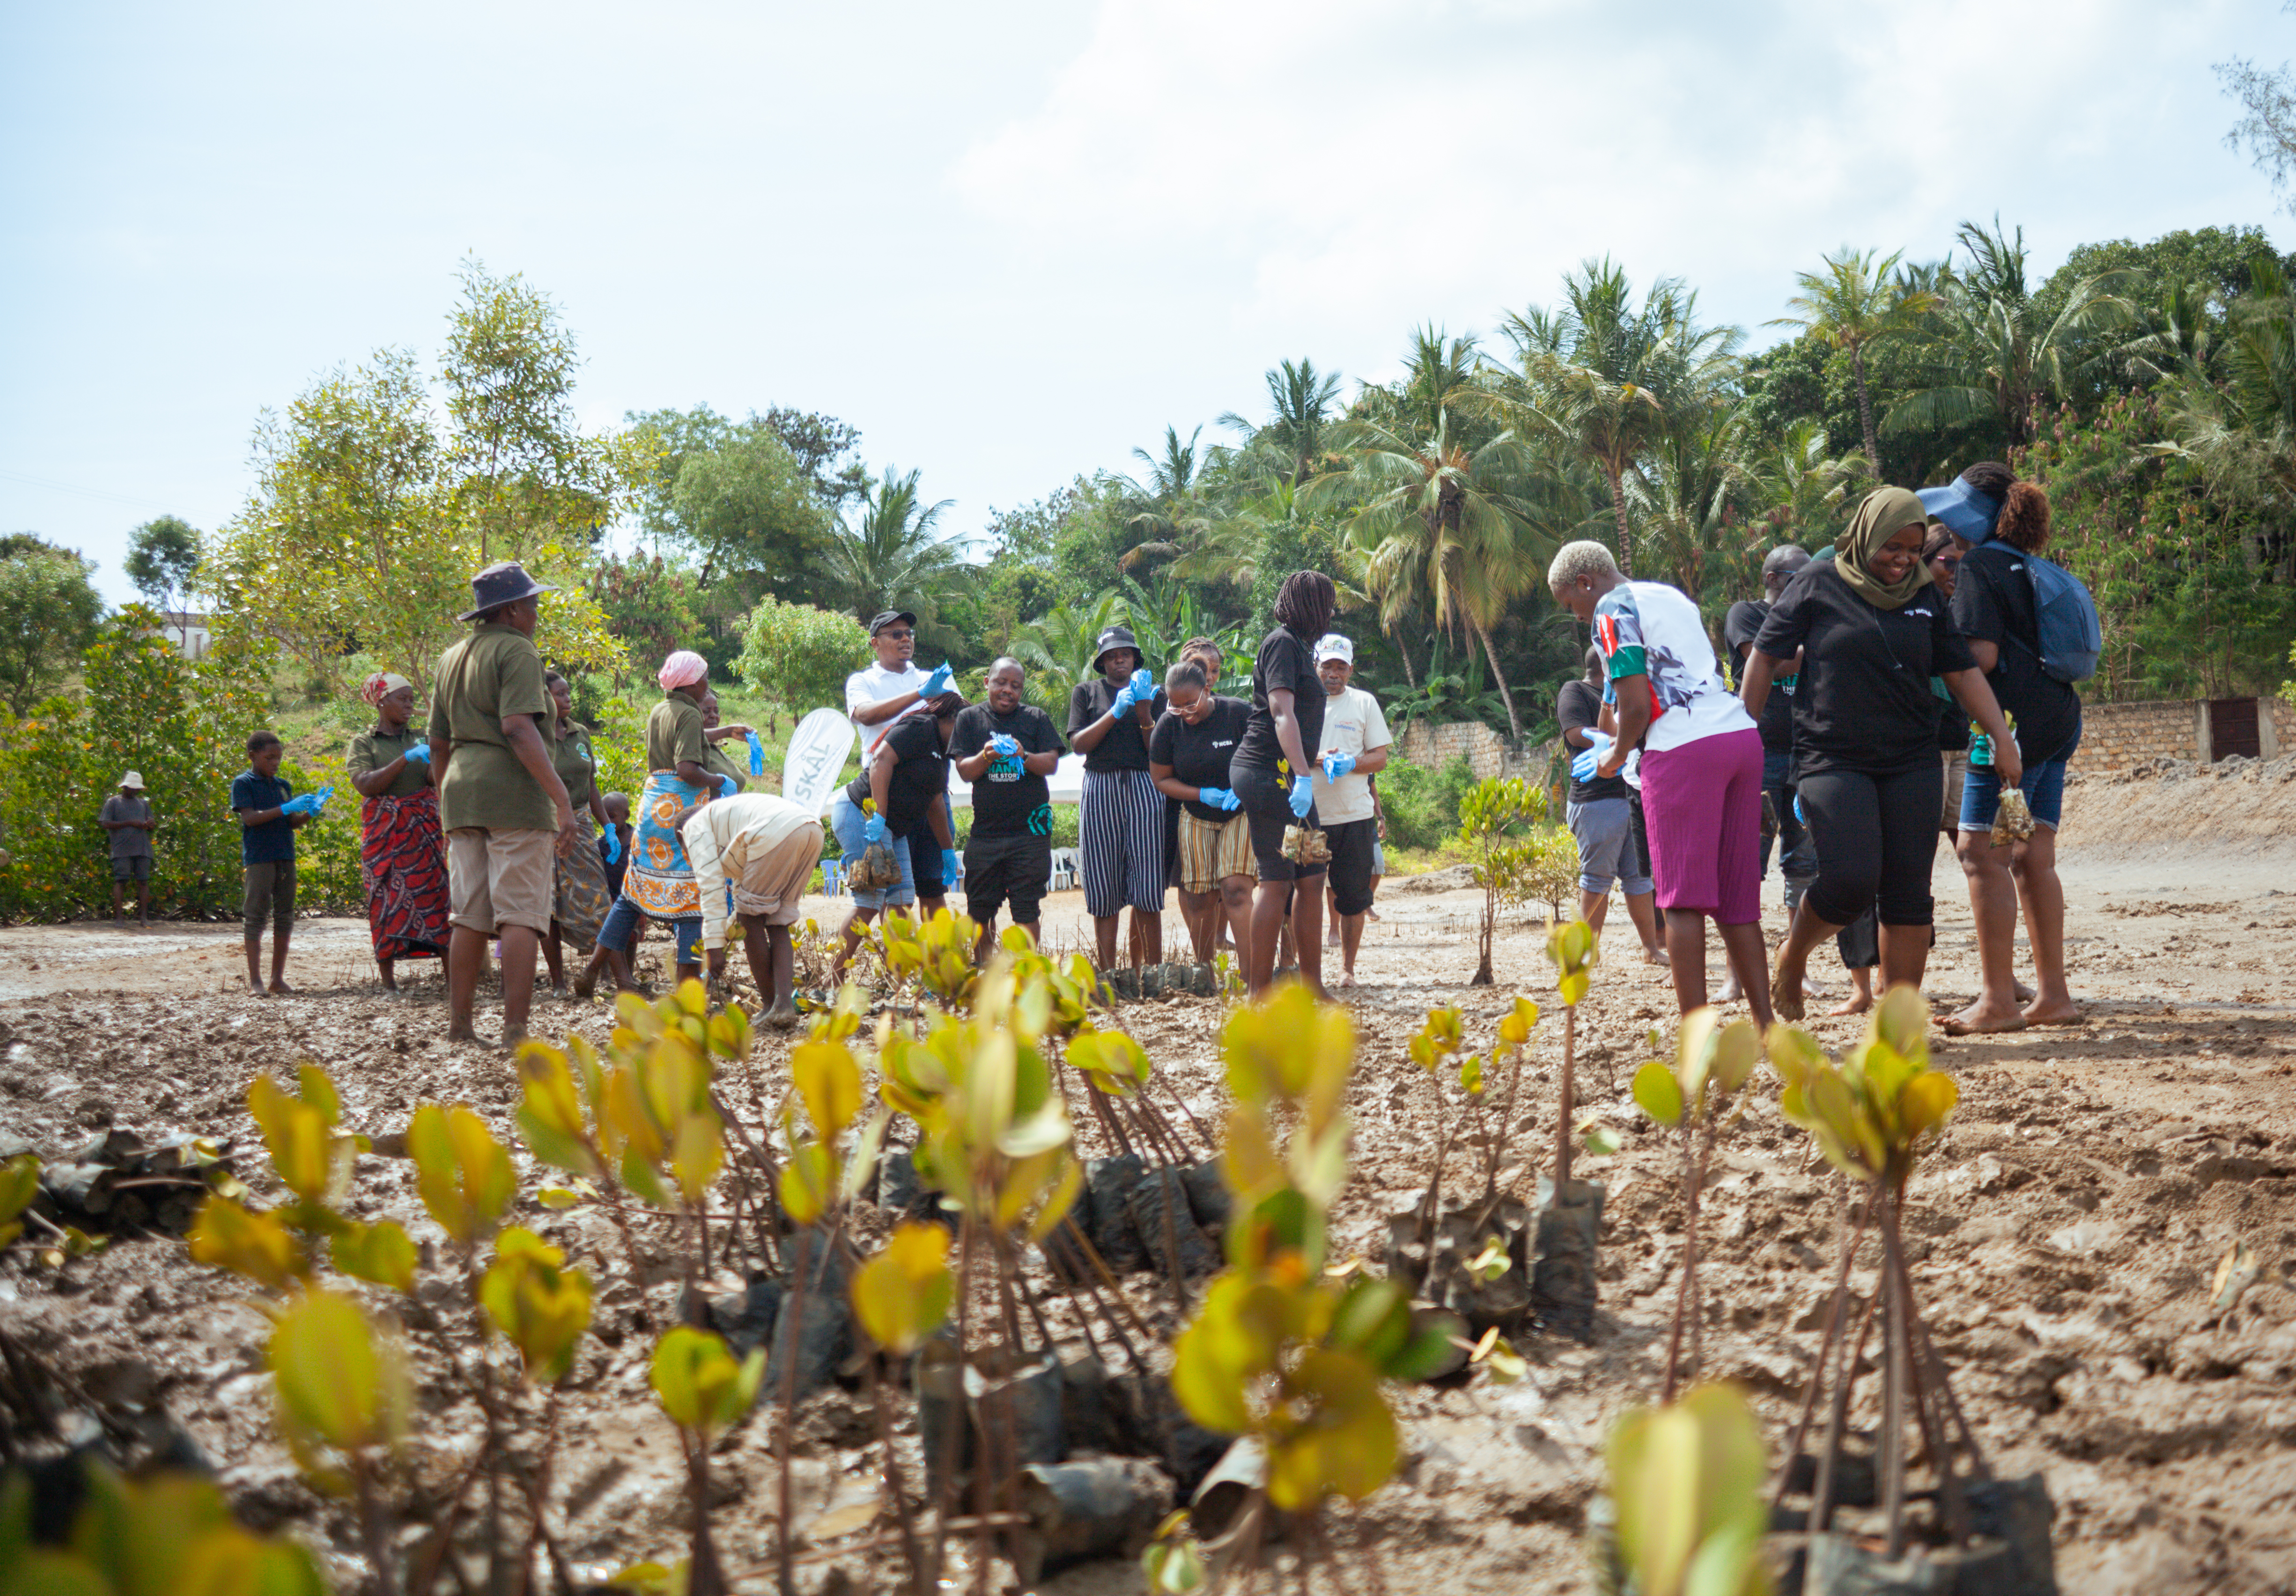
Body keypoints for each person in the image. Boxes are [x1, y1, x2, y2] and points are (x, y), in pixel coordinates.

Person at [1742, 487, 2020, 1022]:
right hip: (1832, 757)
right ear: (1865, 535)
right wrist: (1741, 738)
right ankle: (1793, 955)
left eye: (1913, 549)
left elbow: (1960, 671)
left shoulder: (1925, 596)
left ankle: (1898, 1023)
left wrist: (2001, 737)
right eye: (1890, 546)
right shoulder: (1817, 584)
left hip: (1912, 758)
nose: (1902, 559)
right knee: (1850, 879)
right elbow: (1763, 657)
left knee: (1909, 892)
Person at [1550, 542, 1773, 1026]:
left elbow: (1633, 709)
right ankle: (1765, 1026)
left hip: (1681, 749)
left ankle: (1695, 1032)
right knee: (1737, 898)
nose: (1576, 615)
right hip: (1738, 738)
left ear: (1586, 583)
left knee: (1681, 901)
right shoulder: (1669, 596)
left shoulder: (1609, 609)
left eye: (1570, 603)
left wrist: (1614, 756)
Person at [1931, 468, 2085, 1034]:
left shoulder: (1978, 567)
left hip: (2010, 730)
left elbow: (1982, 657)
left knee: (1980, 853)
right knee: (2030, 854)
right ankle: (2053, 996)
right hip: (2057, 720)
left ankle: (1997, 999)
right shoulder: (2033, 567)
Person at [429, 562, 585, 1044]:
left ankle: (460, 1026)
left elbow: (436, 740)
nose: (537, 614)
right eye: (533, 605)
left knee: (469, 914)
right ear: (513, 610)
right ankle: (515, 1030)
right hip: (514, 794)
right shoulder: (518, 650)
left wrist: (445, 798)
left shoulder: (452, 656)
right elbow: (518, 727)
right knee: (521, 912)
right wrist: (561, 798)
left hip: (462, 791)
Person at [1830, 527, 1976, 1016]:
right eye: (1945, 563)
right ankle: (1861, 985)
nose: (1952, 573)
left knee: (1911, 876)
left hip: (1947, 743)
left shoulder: (1938, 612)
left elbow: (1966, 674)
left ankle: (1902, 988)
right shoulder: (1874, 607)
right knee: (1861, 870)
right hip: (1890, 752)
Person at [581, 650, 720, 999]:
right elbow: (687, 768)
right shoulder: (689, 714)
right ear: (693, 682)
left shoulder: (660, 710)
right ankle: (687, 987)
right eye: (704, 676)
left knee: (632, 894)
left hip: (651, 806)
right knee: (692, 896)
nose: (707, 683)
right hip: (681, 811)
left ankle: (592, 969)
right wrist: (718, 780)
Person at [1228, 571, 1337, 998]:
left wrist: (1308, 768)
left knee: (1312, 875)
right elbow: (1280, 713)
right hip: (1265, 772)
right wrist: (1304, 776)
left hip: (1289, 776)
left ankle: (1312, 986)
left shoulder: (1299, 649)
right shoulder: (1280, 643)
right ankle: (1259, 993)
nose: (1329, 614)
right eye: (1325, 605)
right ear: (1307, 606)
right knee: (1277, 880)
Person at [831, 689, 965, 978]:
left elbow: (936, 801)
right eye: (963, 727)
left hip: (894, 827)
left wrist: (947, 850)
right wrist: (878, 815)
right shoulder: (919, 727)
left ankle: (896, 978)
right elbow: (880, 761)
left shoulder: (943, 753)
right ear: (949, 718)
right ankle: (832, 979)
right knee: (869, 901)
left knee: (902, 899)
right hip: (862, 814)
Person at [1067, 625, 1168, 975]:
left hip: (1145, 784)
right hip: (1100, 785)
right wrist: (1116, 711)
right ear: (1102, 662)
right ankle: (1108, 973)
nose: (1119, 659)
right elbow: (1079, 745)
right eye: (1111, 655)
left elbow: (1157, 751)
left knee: (1148, 885)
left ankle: (1151, 972)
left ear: (1135, 658)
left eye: (1124, 653)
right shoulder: (1087, 692)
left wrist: (1143, 712)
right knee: (1103, 884)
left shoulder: (1154, 695)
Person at [1725, 547, 1819, 917]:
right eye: (1801, 578)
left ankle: (1795, 953)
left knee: (1803, 861)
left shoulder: (1812, 619)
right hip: (1758, 754)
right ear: (1772, 579)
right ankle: (1742, 959)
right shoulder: (1746, 614)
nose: (1810, 586)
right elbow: (1765, 662)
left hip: (1805, 753)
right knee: (1748, 855)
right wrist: (1814, 643)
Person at [1556, 648, 1667, 963]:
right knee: (1596, 879)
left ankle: (1650, 948)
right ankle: (1587, 953)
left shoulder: (1627, 695)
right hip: (1596, 800)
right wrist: (1605, 741)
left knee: (1639, 878)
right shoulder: (1575, 691)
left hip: (1631, 795)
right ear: (1605, 668)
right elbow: (1574, 733)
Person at [951, 658, 1065, 959]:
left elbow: (1051, 764)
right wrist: (986, 756)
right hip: (986, 835)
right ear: (987, 682)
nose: (1007, 690)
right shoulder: (970, 719)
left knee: (1027, 908)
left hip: (1031, 835)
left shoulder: (1036, 718)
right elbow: (964, 772)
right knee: (979, 909)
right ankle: (986, 974)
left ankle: (1024, 972)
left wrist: (1023, 754)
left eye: (1016, 686)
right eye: (1001, 682)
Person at [347, 672, 451, 993]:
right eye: (403, 699)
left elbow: (433, 780)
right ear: (381, 701)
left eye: (412, 699)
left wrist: (435, 754)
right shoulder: (364, 743)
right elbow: (366, 785)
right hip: (386, 839)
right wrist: (405, 761)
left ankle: (453, 979)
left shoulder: (419, 739)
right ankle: (389, 983)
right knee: (384, 901)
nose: (410, 705)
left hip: (423, 835)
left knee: (438, 898)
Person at [685, 792, 824, 1028]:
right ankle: (784, 1005)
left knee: (749, 921)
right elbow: (743, 890)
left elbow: (711, 889)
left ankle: (772, 1006)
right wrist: (727, 929)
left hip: (776, 832)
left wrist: (714, 946)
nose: (687, 856)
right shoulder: (725, 822)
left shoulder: (693, 829)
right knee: (777, 921)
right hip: (811, 829)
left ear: (682, 836)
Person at [1150, 657, 1255, 969]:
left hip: (1240, 811)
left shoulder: (1237, 713)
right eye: (1175, 705)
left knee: (1235, 889)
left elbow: (1264, 755)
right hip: (1195, 814)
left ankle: (1253, 976)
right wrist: (1200, 795)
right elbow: (1161, 779)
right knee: (1200, 897)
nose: (1184, 712)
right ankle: (1205, 971)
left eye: (1190, 703)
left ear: (1207, 689)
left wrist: (1243, 786)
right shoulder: (1168, 726)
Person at [1307, 635, 1392, 989]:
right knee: (1302, 894)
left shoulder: (1364, 703)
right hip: (1308, 818)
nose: (1333, 673)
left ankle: (1347, 970)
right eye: (1327, 665)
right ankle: (1300, 971)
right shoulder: (1301, 703)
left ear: (1350, 669)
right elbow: (1281, 748)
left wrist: (1351, 762)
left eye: (1340, 667)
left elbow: (1380, 758)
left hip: (1353, 818)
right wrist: (1319, 759)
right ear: (1316, 666)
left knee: (1353, 898)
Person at [540, 670, 617, 993]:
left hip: (582, 824)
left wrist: (608, 826)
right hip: (544, 826)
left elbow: (591, 784)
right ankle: (558, 982)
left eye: (568, 693)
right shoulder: (533, 734)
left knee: (598, 898)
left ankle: (604, 973)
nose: (567, 699)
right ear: (543, 698)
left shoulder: (580, 733)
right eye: (559, 694)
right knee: (548, 906)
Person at [232, 731, 310, 996]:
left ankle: (277, 979)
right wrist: (286, 809)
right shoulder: (244, 783)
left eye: (279, 758)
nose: (276, 762)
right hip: (260, 857)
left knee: (285, 915)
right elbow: (251, 819)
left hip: (285, 855)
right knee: (255, 916)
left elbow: (291, 823)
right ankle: (256, 982)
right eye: (270, 757)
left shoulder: (282, 785)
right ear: (252, 756)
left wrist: (310, 812)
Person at [1170, 638, 1230, 955]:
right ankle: (1200, 943)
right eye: (1200, 669)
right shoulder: (1169, 704)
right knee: (1187, 878)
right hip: (1178, 802)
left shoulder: (1225, 709)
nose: (1208, 676)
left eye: (1215, 670)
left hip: (1217, 805)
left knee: (1221, 878)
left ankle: (1219, 937)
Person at [847, 610, 952, 758]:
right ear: (876, 644)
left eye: (909, 634)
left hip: (929, 774)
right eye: (896, 635)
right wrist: (920, 694)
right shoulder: (862, 681)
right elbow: (865, 715)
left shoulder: (931, 679)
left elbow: (958, 724)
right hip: (882, 777)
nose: (906, 639)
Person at [99, 771, 155, 928]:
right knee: (121, 880)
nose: (135, 791)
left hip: (142, 848)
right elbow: (105, 823)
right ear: (124, 787)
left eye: (137, 789)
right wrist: (130, 823)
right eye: (132, 788)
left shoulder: (143, 804)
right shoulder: (114, 802)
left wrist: (150, 825)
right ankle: (119, 918)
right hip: (121, 849)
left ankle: (144, 918)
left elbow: (150, 824)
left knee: (143, 881)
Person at [700, 688, 760, 795]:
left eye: (716, 711)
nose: (714, 716)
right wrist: (728, 731)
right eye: (706, 711)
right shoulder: (692, 747)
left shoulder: (715, 747)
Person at [600, 792, 633, 900]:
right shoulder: (600, 845)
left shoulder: (639, 841)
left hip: (636, 902)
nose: (607, 821)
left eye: (612, 816)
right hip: (611, 903)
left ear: (627, 815)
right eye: (604, 816)